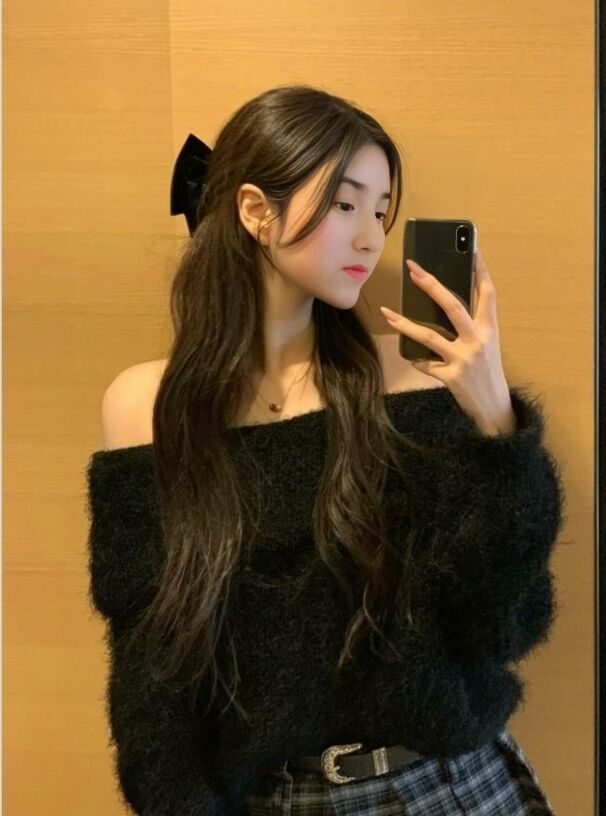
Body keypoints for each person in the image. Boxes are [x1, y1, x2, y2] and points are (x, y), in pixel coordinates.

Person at [85, 84, 566, 815]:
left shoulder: (410, 377)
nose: (371, 238)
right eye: (346, 205)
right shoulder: (147, 406)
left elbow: (505, 624)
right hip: (280, 800)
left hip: (446, 787)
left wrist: (496, 421)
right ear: (255, 210)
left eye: (381, 211)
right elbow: (151, 677)